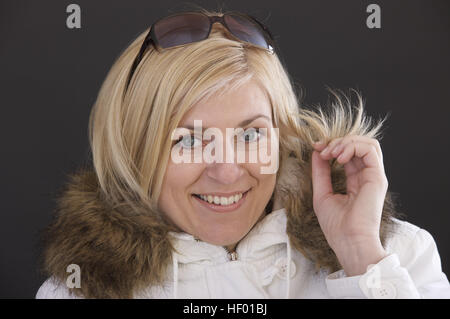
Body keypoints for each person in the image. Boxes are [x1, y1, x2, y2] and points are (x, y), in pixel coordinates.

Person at [36, 8, 450, 299]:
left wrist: (361, 257)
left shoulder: (399, 258)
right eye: (189, 140)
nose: (227, 171)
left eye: (250, 135)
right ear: (135, 153)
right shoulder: (77, 292)